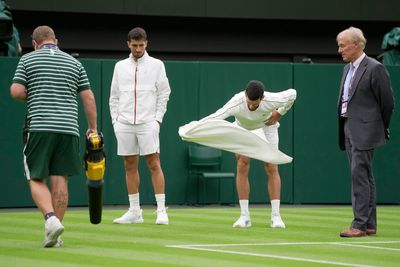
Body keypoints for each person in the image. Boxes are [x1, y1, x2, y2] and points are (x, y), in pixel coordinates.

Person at [10, 25, 98, 247]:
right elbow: (88, 97)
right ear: (55, 41)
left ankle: (51, 220)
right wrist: (93, 128)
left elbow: (17, 91)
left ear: (36, 43)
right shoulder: (74, 63)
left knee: (36, 178)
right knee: (60, 179)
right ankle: (54, 235)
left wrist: (36, 91)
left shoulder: (28, 59)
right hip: (69, 129)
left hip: (39, 127)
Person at [199, 80, 296, 228]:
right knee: (242, 164)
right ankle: (244, 216)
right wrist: (193, 127)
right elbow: (216, 116)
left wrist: (280, 112)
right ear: (245, 94)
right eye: (249, 102)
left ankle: (276, 216)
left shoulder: (271, 99)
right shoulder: (237, 102)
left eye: (254, 104)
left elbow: (292, 94)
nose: (251, 106)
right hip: (243, 129)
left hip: (266, 127)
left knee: (271, 166)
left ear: (262, 98)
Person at [336, 27, 395, 237]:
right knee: (365, 176)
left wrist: (376, 125)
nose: (339, 49)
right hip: (348, 127)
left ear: (356, 45)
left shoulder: (375, 68)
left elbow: (388, 103)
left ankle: (359, 225)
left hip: (366, 129)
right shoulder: (347, 69)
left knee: (359, 175)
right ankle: (369, 225)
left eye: (342, 45)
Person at [109, 27, 171, 225]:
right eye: (134, 45)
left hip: (148, 123)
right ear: (128, 44)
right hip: (124, 123)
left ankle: (161, 210)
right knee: (129, 165)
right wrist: (115, 121)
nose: (138, 48)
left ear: (146, 43)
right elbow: (114, 97)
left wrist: (157, 120)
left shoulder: (157, 65)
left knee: (154, 163)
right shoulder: (119, 66)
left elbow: (164, 93)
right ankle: (134, 211)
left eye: (141, 45)